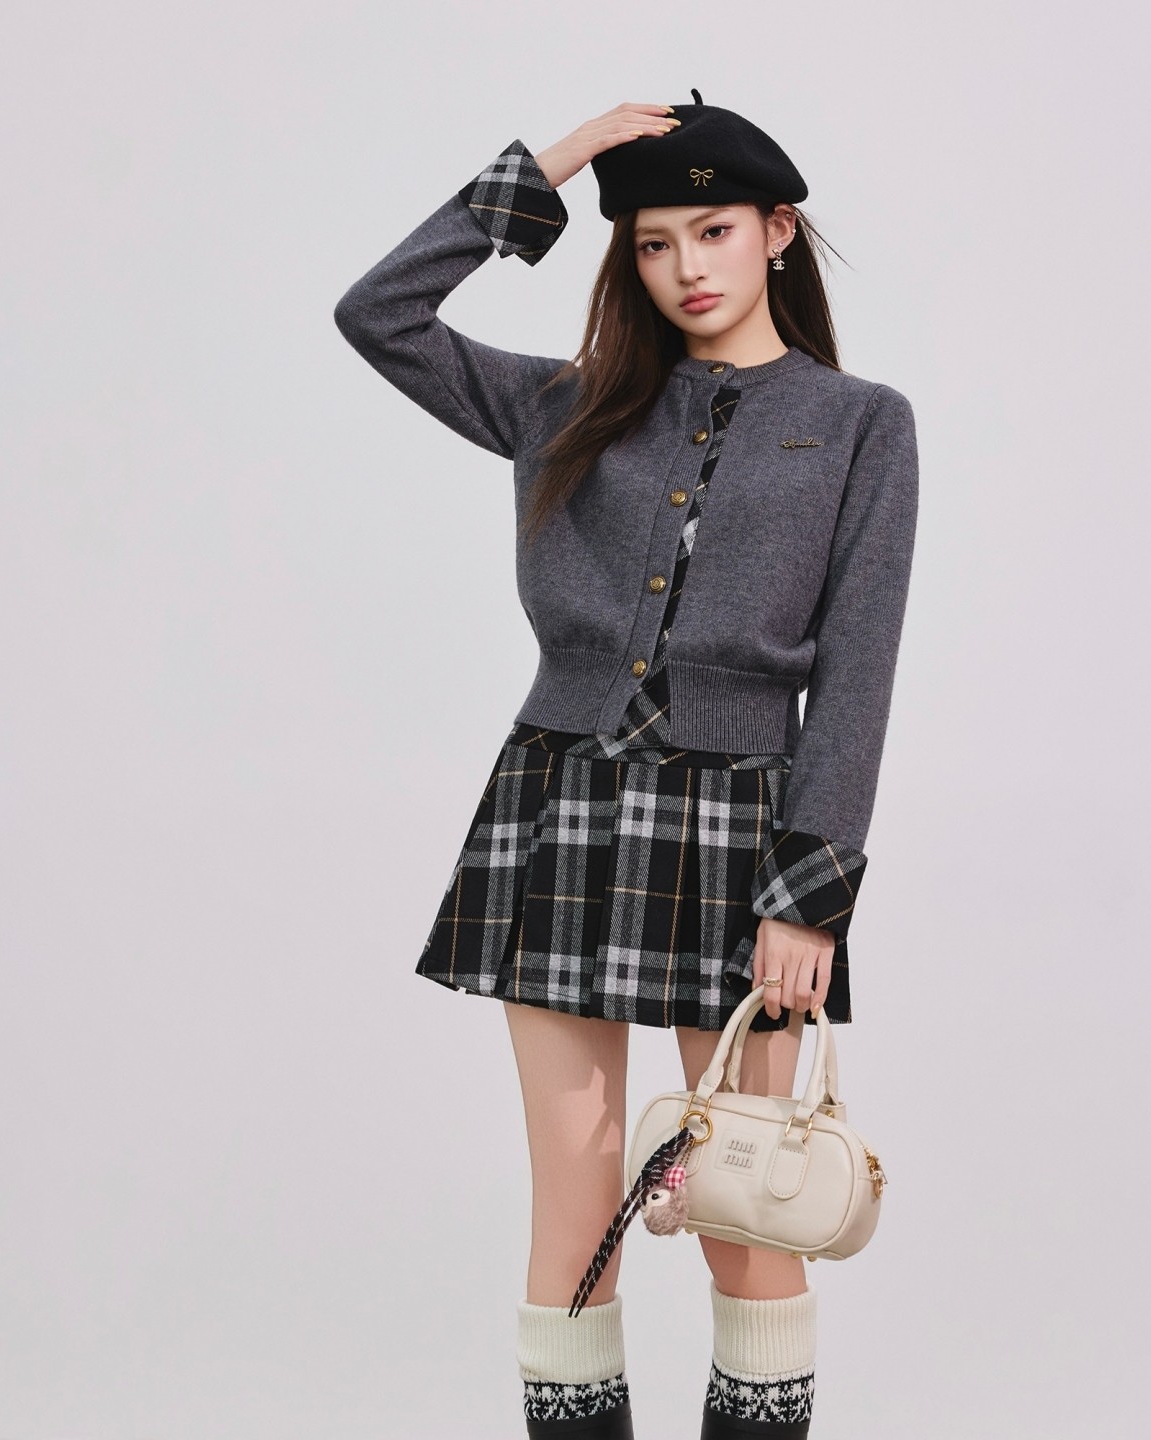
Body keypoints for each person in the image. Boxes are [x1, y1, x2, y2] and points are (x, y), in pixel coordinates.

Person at [333, 90, 920, 1440]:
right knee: (578, 1206)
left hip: (745, 832)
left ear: (779, 231)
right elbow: (380, 314)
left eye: (713, 232)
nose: (686, 268)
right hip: (560, 807)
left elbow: (859, 672)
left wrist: (810, 894)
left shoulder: (860, 424)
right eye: (653, 243)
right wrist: (553, 164)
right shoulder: (565, 404)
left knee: (745, 1210)